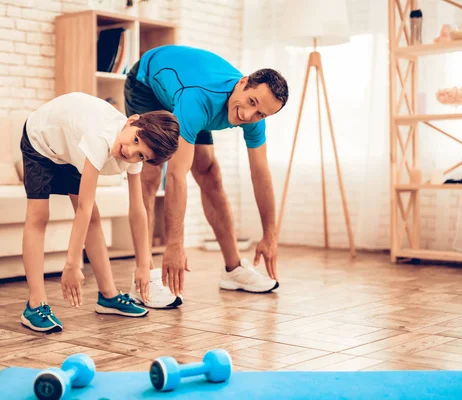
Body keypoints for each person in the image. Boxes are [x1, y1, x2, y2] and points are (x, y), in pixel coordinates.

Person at [123, 45, 289, 308]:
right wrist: (176, 244)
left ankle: (233, 269)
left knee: (210, 173)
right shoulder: (198, 99)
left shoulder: (255, 116)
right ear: (243, 83)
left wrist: (270, 234)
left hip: (186, 95)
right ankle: (145, 276)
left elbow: (260, 172)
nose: (247, 115)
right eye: (251, 102)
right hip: (148, 85)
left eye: (260, 113)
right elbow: (177, 174)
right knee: (151, 174)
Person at [19, 91, 180, 332]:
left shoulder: (131, 157)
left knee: (94, 217)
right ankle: (35, 304)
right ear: (132, 121)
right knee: (39, 216)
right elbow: (82, 206)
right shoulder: (100, 138)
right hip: (40, 140)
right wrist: (72, 264)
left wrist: (144, 265)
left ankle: (108, 296)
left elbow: (138, 209)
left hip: (71, 150)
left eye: (141, 155)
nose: (130, 152)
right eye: (135, 140)